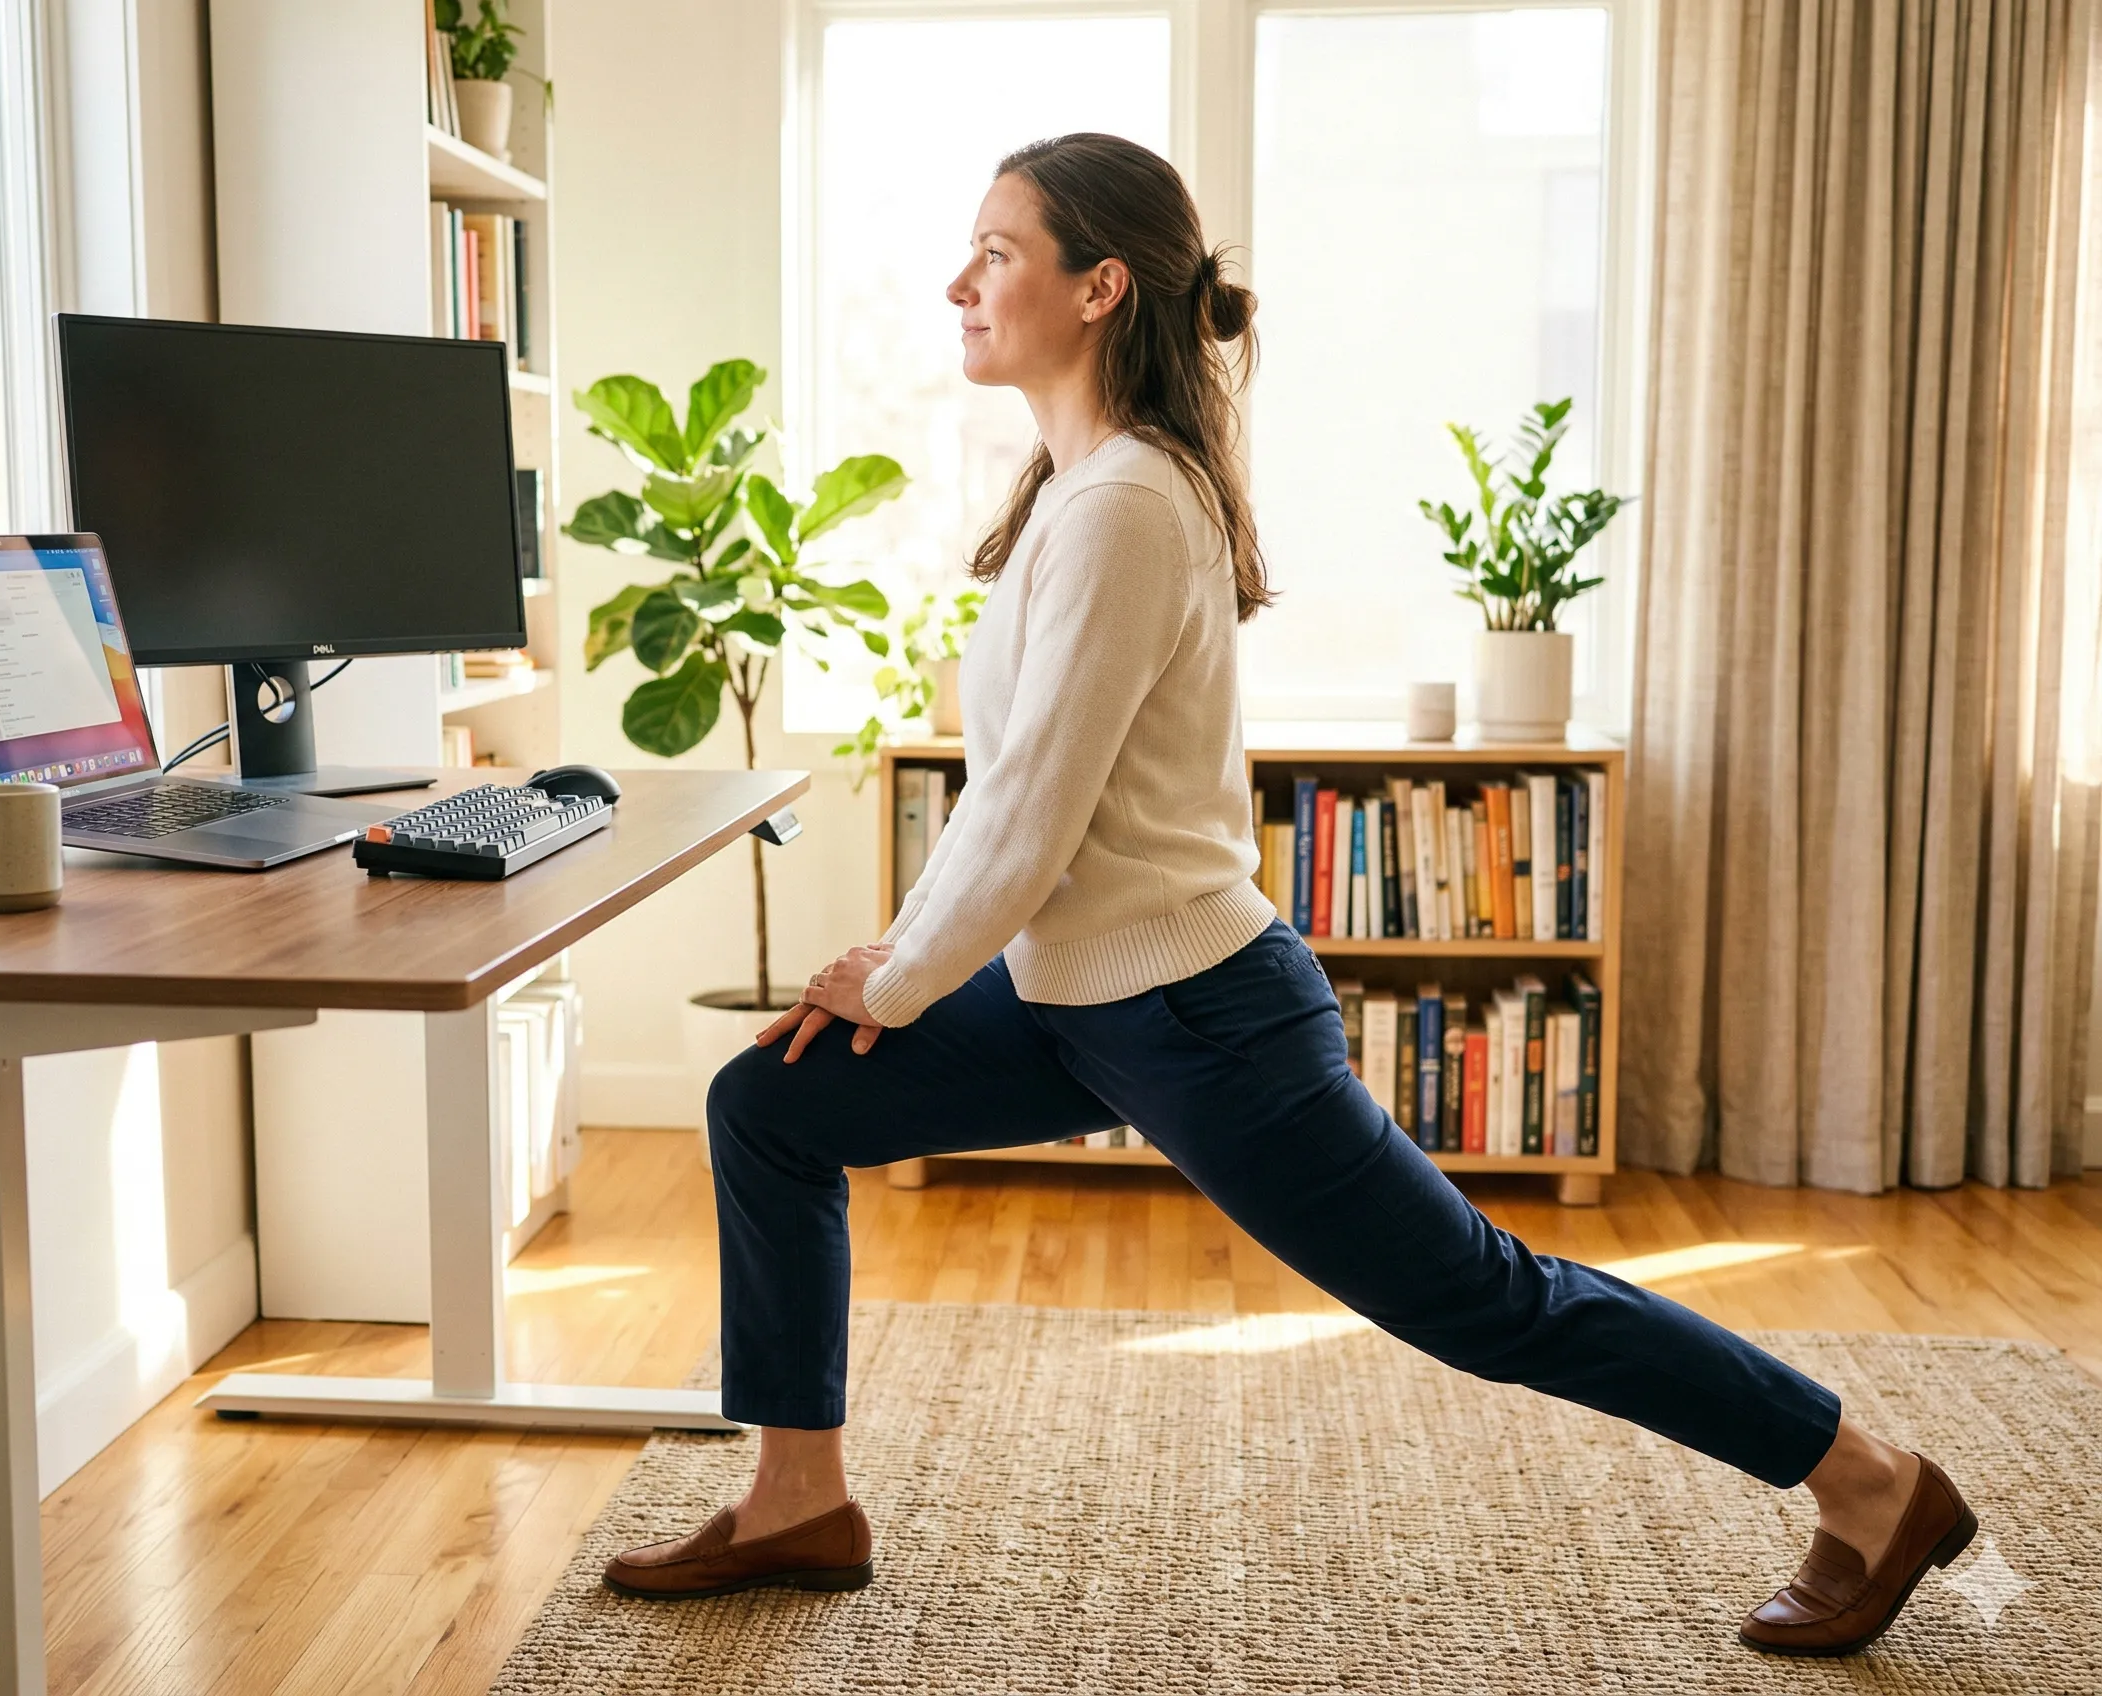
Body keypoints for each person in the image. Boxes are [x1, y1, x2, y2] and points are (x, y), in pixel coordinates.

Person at [601, 132, 1977, 1658]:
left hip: (1195, 1012)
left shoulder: (1127, 505)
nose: (959, 283)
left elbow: (1041, 809)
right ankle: (799, 1499)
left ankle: (1873, 1483)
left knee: (1483, 1300)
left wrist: (907, 972)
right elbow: (1013, 791)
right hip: (1077, 994)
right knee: (772, 1103)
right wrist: (911, 958)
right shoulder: (1076, 490)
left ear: (1099, 287)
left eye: (996, 252)